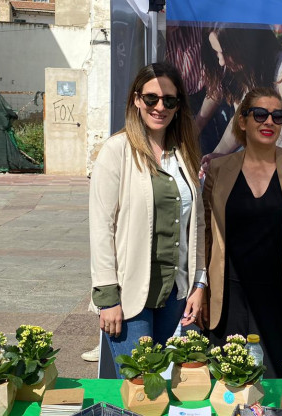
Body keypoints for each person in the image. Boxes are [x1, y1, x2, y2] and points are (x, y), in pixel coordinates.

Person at [89, 63, 207, 378]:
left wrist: (199, 283)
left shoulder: (184, 154)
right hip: (129, 296)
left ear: (179, 105)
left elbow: (197, 225)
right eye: (151, 98)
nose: (160, 107)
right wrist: (107, 296)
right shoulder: (117, 151)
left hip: (174, 293)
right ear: (137, 100)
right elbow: (101, 227)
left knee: (160, 382)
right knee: (141, 383)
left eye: (169, 100)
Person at [202, 87, 282, 378]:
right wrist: (201, 289)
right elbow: (204, 234)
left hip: (279, 293)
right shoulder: (219, 169)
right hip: (228, 293)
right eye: (260, 114)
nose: (269, 122)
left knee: (273, 380)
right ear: (242, 121)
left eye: (278, 116)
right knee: (226, 377)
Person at [198, 25, 282, 173]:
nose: (221, 62)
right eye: (217, 53)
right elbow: (240, 120)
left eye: (225, 52)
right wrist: (219, 155)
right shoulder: (244, 68)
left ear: (244, 43)